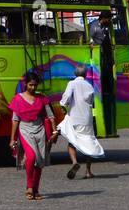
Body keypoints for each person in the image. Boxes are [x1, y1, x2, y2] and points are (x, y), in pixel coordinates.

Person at [9, 71, 55, 201]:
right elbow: (15, 120)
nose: (33, 88)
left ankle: (36, 189)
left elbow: (50, 115)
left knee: (39, 161)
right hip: (25, 130)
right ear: (25, 84)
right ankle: (29, 186)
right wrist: (12, 138)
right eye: (30, 85)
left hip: (40, 130)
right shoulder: (18, 99)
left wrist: (54, 131)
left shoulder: (42, 98)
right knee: (31, 156)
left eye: (35, 85)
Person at [56, 72, 104, 179]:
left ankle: (74, 162)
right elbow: (91, 101)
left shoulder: (72, 84)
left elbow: (66, 98)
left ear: (75, 73)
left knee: (72, 141)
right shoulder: (89, 85)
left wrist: (63, 104)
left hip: (75, 118)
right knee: (88, 142)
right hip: (86, 118)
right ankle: (88, 171)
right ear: (85, 74)